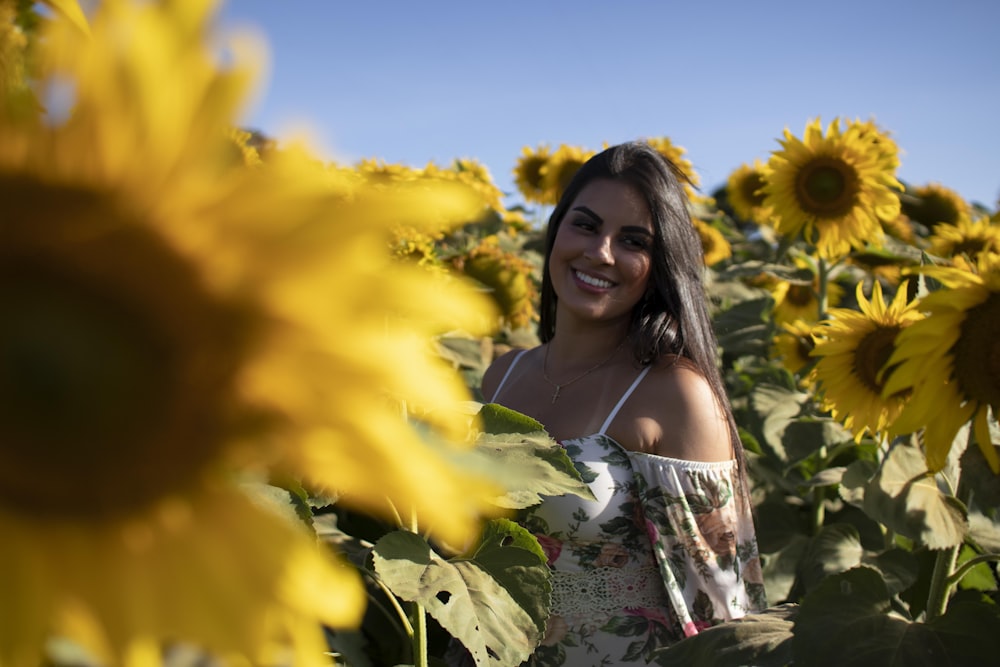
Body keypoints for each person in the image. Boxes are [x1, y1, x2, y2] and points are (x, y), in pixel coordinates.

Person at [481, 142, 766, 666]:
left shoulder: (673, 395)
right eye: (585, 226)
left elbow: (723, 606)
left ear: (660, 266)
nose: (601, 252)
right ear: (557, 230)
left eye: (632, 241)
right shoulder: (502, 375)